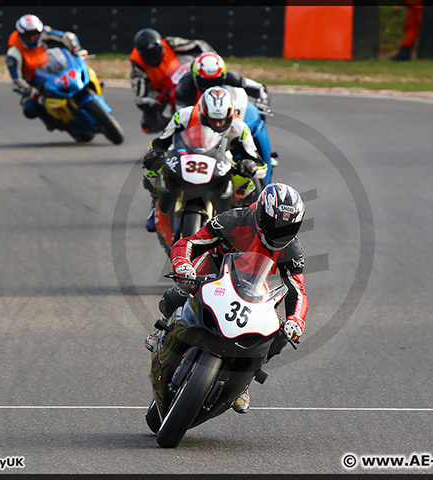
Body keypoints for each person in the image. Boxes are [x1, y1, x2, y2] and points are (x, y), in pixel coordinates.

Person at [145, 183, 308, 414]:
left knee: (279, 335)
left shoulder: (292, 249)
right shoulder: (235, 219)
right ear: (261, 214)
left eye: (287, 228)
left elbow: (297, 290)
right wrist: (183, 264)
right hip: (215, 269)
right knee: (179, 293)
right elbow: (190, 242)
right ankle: (164, 329)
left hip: (254, 283)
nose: (280, 233)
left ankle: (245, 377)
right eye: (275, 225)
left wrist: (295, 321)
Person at [141, 86, 268, 232]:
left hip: (222, 162)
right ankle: (155, 204)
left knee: (248, 186)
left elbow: (259, 163)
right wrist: (154, 153)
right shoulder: (183, 117)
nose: (218, 125)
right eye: (212, 120)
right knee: (152, 172)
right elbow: (161, 142)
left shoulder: (240, 128)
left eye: (222, 120)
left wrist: (249, 166)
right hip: (188, 156)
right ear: (202, 114)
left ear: (230, 115)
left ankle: (245, 223)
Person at [5, 14, 88, 129]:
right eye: (29, 36)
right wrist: (29, 91)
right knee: (30, 109)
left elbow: (66, 36)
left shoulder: (42, 31)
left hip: (50, 68)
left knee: (76, 68)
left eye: (35, 35)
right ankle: (52, 121)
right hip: (33, 81)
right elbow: (16, 80)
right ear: (21, 35)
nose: (33, 38)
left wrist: (76, 48)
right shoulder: (13, 53)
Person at [131, 28, 216, 133]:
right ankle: (173, 130)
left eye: (156, 51)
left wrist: (211, 58)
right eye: (149, 54)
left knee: (210, 76)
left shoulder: (169, 43)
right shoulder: (137, 68)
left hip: (183, 72)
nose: (154, 56)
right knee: (148, 125)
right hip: (164, 91)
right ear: (141, 53)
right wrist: (153, 102)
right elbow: (140, 98)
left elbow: (199, 44)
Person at [174, 52, 270, 115]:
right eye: (205, 81)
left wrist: (262, 102)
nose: (210, 85)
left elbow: (260, 88)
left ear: (222, 75)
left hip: (229, 117)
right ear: (195, 77)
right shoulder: (185, 87)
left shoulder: (232, 78)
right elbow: (181, 114)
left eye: (215, 80)